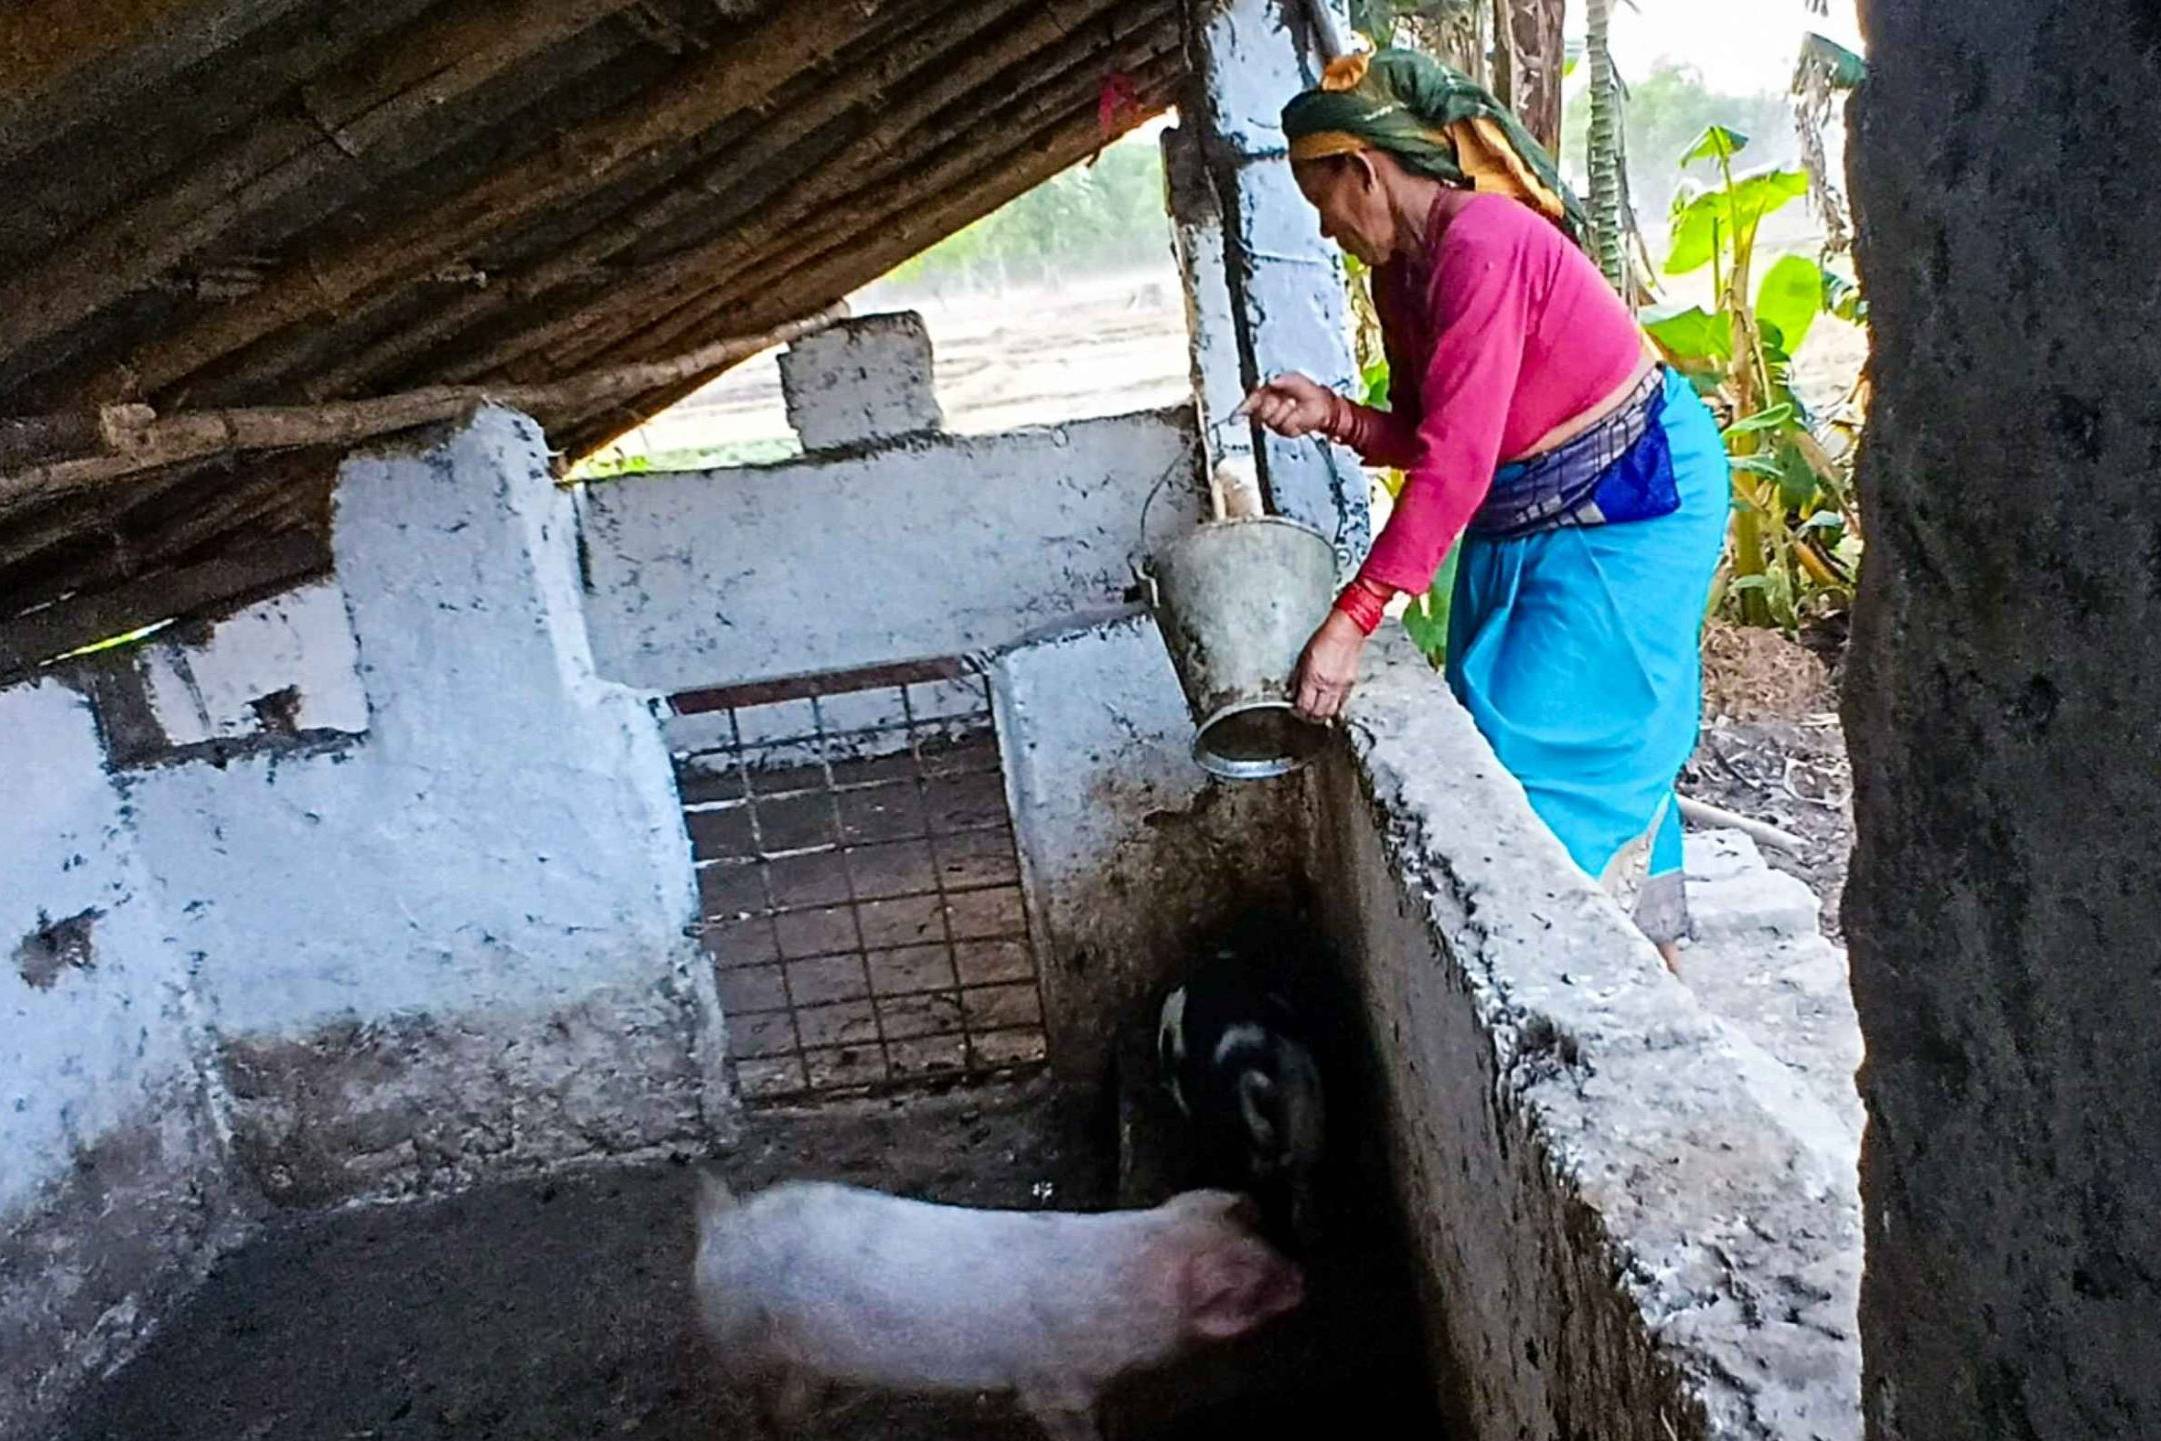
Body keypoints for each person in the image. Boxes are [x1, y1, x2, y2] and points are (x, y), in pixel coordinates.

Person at [1238, 48, 1728, 962]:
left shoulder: (1483, 244)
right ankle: (1643, 957)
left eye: (1323, 202)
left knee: (1551, 753)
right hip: (1529, 515)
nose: (1326, 229)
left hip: (1628, 508)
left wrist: (1353, 616)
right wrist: (1338, 416)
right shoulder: (1402, 274)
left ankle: (1591, 969)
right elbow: (1436, 438)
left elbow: (1455, 465)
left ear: (1363, 170)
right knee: (1508, 729)